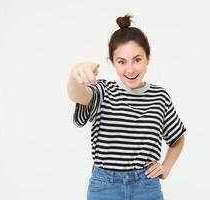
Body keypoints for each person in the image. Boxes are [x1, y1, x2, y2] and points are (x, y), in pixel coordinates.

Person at [67, 14, 187, 200]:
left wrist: (165, 168)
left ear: (148, 58)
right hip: (105, 187)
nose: (130, 69)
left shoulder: (159, 96)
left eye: (137, 60)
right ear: (113, 63)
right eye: (122, 61)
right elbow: (78, 95)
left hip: (146, 186)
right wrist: (75, 75)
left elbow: (177, 139)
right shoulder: (103, 91)